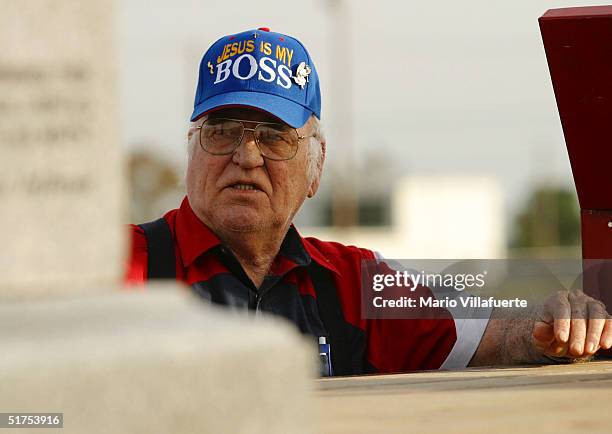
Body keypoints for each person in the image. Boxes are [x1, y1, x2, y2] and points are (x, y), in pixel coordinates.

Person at [126, 27, 612, 375]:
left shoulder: (354, 286)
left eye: (274, 137)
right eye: (224, 131)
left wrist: (558, 327)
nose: (246, 155)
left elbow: (497, 334)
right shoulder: (115, 268)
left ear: (315, 168)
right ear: (191, 151)